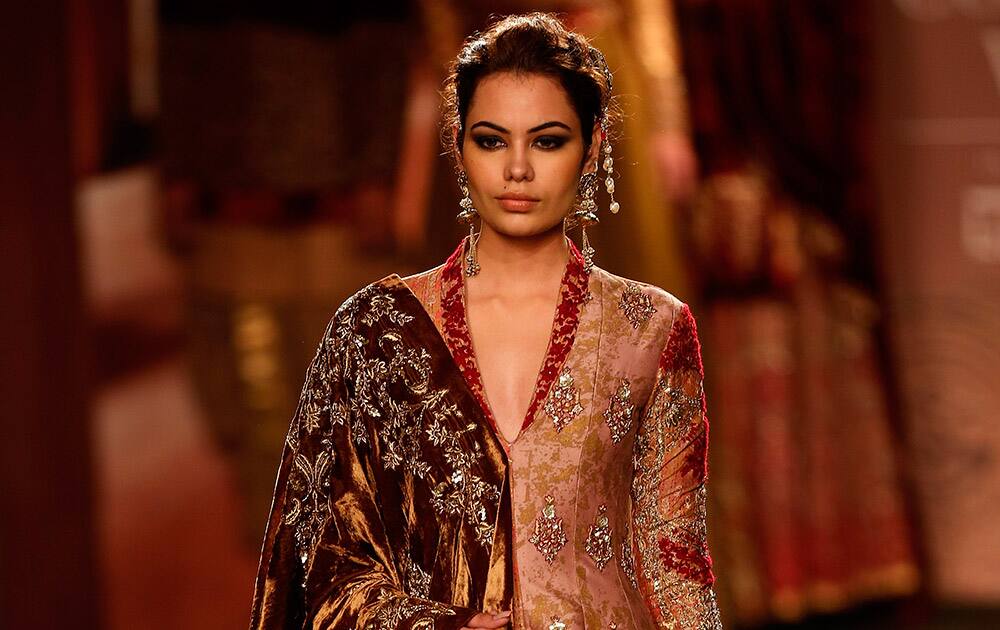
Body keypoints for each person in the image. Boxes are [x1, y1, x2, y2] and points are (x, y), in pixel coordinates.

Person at [249, 13, 722, 629]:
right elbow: (317, 564)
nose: (517, 169)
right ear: (458, 142)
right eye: (492, 140)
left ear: (594, 145)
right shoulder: (379, 332)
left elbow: (677, 569)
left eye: (548, 140)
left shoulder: (652, 328)